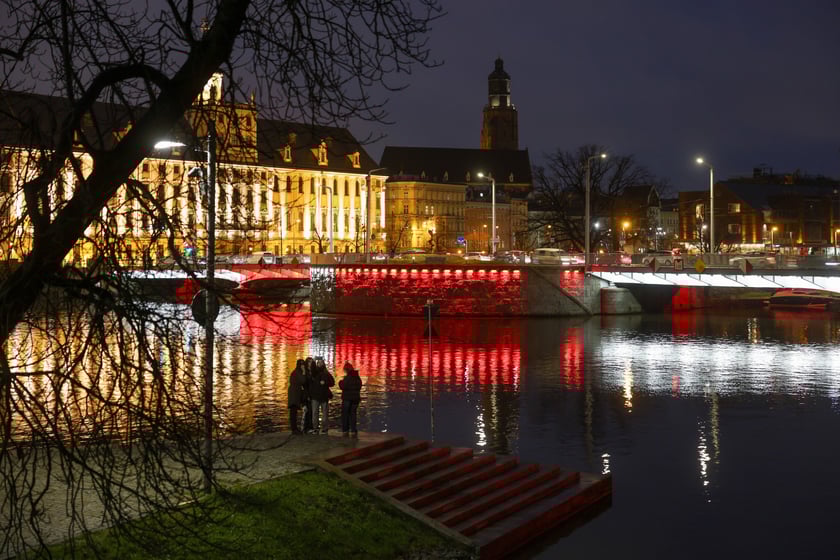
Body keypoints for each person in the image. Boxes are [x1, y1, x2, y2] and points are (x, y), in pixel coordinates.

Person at [309, 357, 335, 434]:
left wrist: (325, 382)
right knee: (315, 414)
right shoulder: (315, 372)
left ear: (323, 364)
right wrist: (314, 360)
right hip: (316, 396)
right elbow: (312, 368)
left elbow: (332, 383)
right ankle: (316, 428)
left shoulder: (326, 373)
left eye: (321, 362)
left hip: (323, 396)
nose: (319, 364)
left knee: (323, 414)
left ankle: (324, 428)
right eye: (318, 362)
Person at [339, 361, 363, 435]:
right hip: (355, 398)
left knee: (345, 414)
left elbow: (343, 386)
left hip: (347, 398)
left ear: (346, 370)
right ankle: (353, 430)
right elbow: (359, 386)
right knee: (353, 414)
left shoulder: (347, 378)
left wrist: (340, 382)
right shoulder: (357, 377)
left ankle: (345, 429)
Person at [287, 359, 306, 434]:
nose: (302, 366)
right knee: (293, 411)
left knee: (293, 412)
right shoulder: (298, 373)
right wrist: (304, 372)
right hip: (294, 393)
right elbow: (303, 381)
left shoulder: (295, 372)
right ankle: (294, 429)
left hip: (293, 393)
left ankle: (294, 428)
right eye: (302, 365)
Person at [302, 357, 315, 433]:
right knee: (308, 410)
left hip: (312, 393)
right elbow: (304, 383)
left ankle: (309, 426)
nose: (310, 364)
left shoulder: (312, 372)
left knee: (311, 410)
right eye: (309, 362)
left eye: (311, 362)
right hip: (307, 394)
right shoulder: (306, 372)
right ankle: (307, 427)